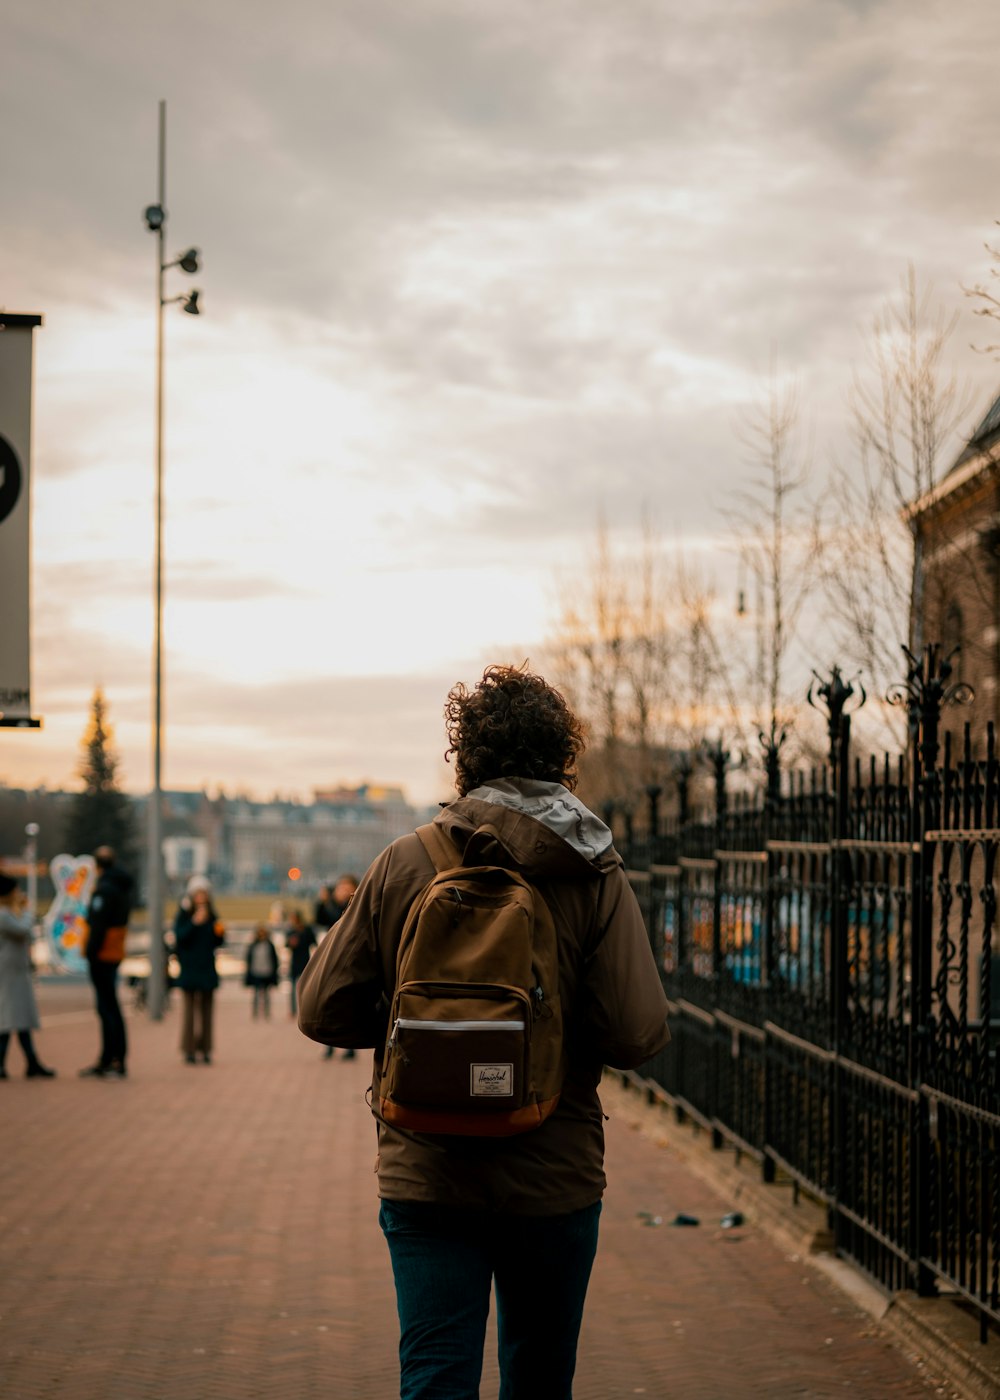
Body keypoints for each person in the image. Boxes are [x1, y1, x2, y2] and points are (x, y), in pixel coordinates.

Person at [297, 664, 670, 1398]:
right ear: (561, 756)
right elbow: (634, 1031)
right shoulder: (593, 871)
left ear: (465, 759)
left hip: (427, 1166)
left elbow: (320, 1008)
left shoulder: (406, 861)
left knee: (435, 1376)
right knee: (538, 1379)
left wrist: (424, 1036)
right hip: (552, 1171)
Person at [79, 845, 133, 1079]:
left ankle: (111, 1058)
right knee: (112, 1007)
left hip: (102, 954)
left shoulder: (105, 890)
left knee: (107, 1008)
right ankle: (116, 1057)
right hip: (114, 951)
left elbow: (98, 925)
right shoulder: (122, 887)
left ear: (97, 865)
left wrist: (90, 952)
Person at [0, 873, 55, 1079]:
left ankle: (31, 1062)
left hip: (14, 971)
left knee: (16, 1019)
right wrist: (26, 910)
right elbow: (24, 929)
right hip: (9, 973)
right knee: (8, 1018)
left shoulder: (8, 914)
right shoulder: (4, 915)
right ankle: (27, 1062)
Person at [173, 876, 225, 1064]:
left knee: (207, 1012)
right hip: (189, 968)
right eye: (198, 894)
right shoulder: (184, 914)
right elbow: (179, 937)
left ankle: (206, 1048)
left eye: (204, 894)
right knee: (189, 1012)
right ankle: (189, 1049)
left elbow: (218, 941)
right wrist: (194, 922)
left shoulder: (212, 915)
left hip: (207, 969)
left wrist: (219, 931)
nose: (201, 898)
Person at [317, 874, 358, 1060]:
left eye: (346, 887)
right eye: (340, 887)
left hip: (350, 962)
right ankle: (329, 1044)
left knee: (350, 1006)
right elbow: (320, 919)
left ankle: (350, 1046)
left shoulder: (355, 906)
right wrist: (323, 902)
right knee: (328, 1005)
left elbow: (341, 922)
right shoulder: (330, 905)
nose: (342, 891)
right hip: (331, 961)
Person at [284, 909, 316, 1017]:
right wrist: (290, 943)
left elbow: (313, 942)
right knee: (293, 988)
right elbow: (286, 945)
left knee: (305, 987)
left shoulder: (306, 929)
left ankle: (305, 1010)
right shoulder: (291, 930)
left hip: (305, 961)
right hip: (295, 962)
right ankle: (293, 1010)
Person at [244, 923, 279, 1019]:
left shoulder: (270, 945)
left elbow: (274, 960)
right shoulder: (253, 945)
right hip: (256, 972)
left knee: (267, 995)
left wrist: (274, 972)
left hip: (267, 972)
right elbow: (249, 959)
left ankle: (267, 1013)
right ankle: (255, 1013)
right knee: (255, 994)